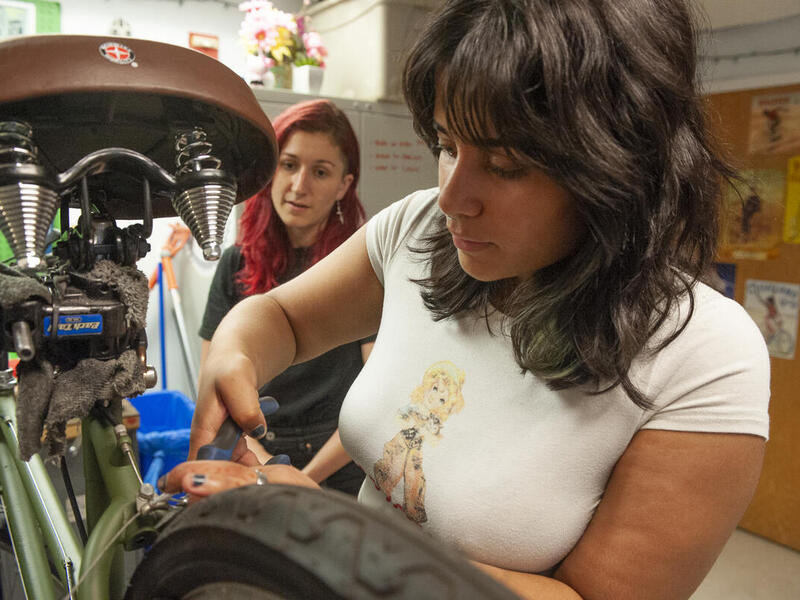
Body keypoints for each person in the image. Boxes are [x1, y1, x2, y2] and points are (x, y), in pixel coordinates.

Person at [165, 1, 770, 598]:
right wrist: (235, 352)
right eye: (449, 145)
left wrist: (330, 531)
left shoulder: (701, 354)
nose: (453, 198)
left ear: (618, 167)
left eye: (505, 165)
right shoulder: (419, 231)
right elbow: (282, 318)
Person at [197, 99, 373, 496]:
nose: (299, 186)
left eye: (321, 171)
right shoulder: (235, 264)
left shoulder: (362, 268)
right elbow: (213, 380)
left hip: (341, 464)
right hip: (253, 456)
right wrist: (263, 468)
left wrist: (306, 481)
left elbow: (379, 395)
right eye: (289, 165)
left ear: (345, 185)